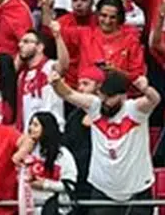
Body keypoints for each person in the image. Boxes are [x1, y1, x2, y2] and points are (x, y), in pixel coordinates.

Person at [52, 69, 159, 212]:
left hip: (137, 189)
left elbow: (154, 99)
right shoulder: (95, 106)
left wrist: (146, 89)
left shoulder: (135, 110)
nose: (105, 102)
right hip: (102, 188)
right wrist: (56, 83)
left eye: (110, 98)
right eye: (103, 96)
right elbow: (68, 94)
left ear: (123, 96)